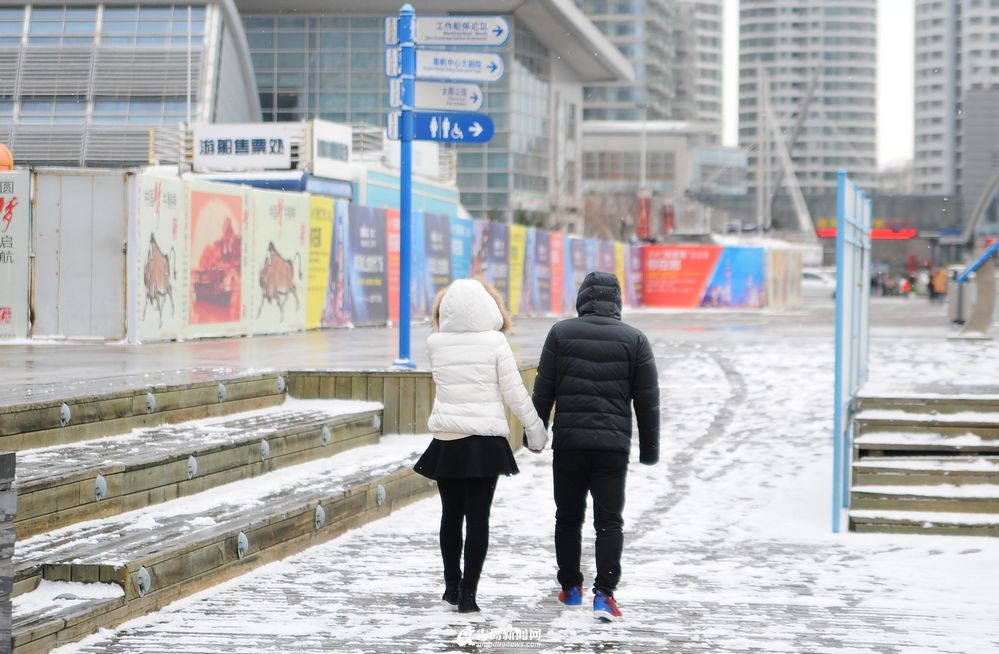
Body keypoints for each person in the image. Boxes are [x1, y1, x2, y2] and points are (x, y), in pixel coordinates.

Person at [532, 271, 660, 623]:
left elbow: (544, 389)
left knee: (568, 517)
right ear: (616, 300)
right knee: (609, 522)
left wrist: (536, 432)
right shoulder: (635, 340)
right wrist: (648, 448)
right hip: (612, 447)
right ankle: (605, 595)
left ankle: (571, 587)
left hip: (570, 443)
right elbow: (647, 401)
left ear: (582, 298)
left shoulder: (561, 333)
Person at [414, 278, 548, 614]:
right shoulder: (495, 343)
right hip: (484, 446)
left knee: (450, 516)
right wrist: (536, 432)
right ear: (489, 308)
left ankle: (451, 587)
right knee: (478, 519)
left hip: (447, 442)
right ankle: (469, 595)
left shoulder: (436, 344)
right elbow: (515, 392)